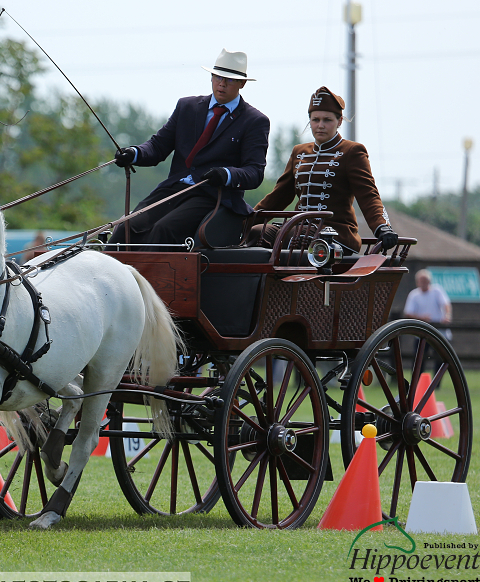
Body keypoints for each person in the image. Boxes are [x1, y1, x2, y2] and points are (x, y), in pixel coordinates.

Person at [108, 48, 269, 249]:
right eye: (218, 77)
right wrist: (134, 153)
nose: (222, 83)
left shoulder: (254, 121)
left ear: (242, 83)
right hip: (174, 188)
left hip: (212, 195)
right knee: (126, 226)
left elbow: (254, 172)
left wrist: (226, 174)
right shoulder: (187, 107)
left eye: (230, 79)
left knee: (163, 229)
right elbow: (158, 146)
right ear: (211, 77)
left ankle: (152, 280)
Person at [252, 86, 397, 253]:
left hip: (336, 233)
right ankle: (266, 280)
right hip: (299, 228)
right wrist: (248, 218)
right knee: (257, 233)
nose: (320, 125)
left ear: (339, 121)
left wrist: (382, 227)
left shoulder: (352, 151)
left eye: (327, 120)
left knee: (298, 236)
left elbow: (368, 196)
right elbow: (278, 197)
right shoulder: (299, 152)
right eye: (315, 120)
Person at [403, 269, 452, 375]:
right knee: (419, 359)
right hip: (422, 331)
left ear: (429, 281)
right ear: (417, 282)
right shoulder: (414, 295)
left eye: (426, 281)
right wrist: (421, 318)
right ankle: (417, 381)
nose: (424, 283)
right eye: (421, 281)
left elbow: (446, 304)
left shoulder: (437, 291)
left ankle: (437, 382)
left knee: (440, 358)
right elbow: (408, 313)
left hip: (439, 331)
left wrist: (446, 316)